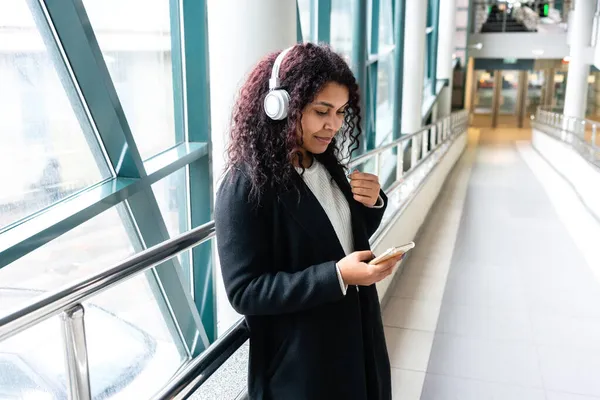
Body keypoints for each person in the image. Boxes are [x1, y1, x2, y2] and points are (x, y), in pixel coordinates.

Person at [214, 43, 404, 400]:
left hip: (355, 336)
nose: (333, 125)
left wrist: (371, 202)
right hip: (303, 363)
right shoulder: (245, 185)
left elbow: (335, 238)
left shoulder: (322, 163)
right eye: (322, 111)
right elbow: (245, 291)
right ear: (280, 106)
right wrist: (338, 276)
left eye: (341, 112)